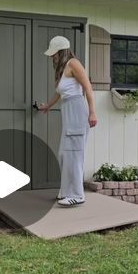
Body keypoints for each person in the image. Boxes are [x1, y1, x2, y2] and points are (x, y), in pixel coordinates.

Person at [39, 35, 97, 206]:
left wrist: (93, 112)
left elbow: (87, 87)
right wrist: (49, 105)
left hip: (78, 112)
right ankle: (66, 191)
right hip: (68, 112)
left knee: (74, 155)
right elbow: (60, 92)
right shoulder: (63, 68)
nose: (52, 57)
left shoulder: (73, 64)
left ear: (61, 51)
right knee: (64, 154)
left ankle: (77, 195)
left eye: (54, 53)